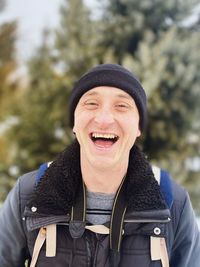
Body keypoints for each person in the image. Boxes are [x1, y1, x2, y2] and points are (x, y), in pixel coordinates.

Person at [0, 64, 200, 267]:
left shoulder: (172, 203)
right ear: (75, 123)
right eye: (91, 104)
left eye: (122, 106)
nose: (104, 119)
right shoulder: (28, 195)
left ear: (138, 126)